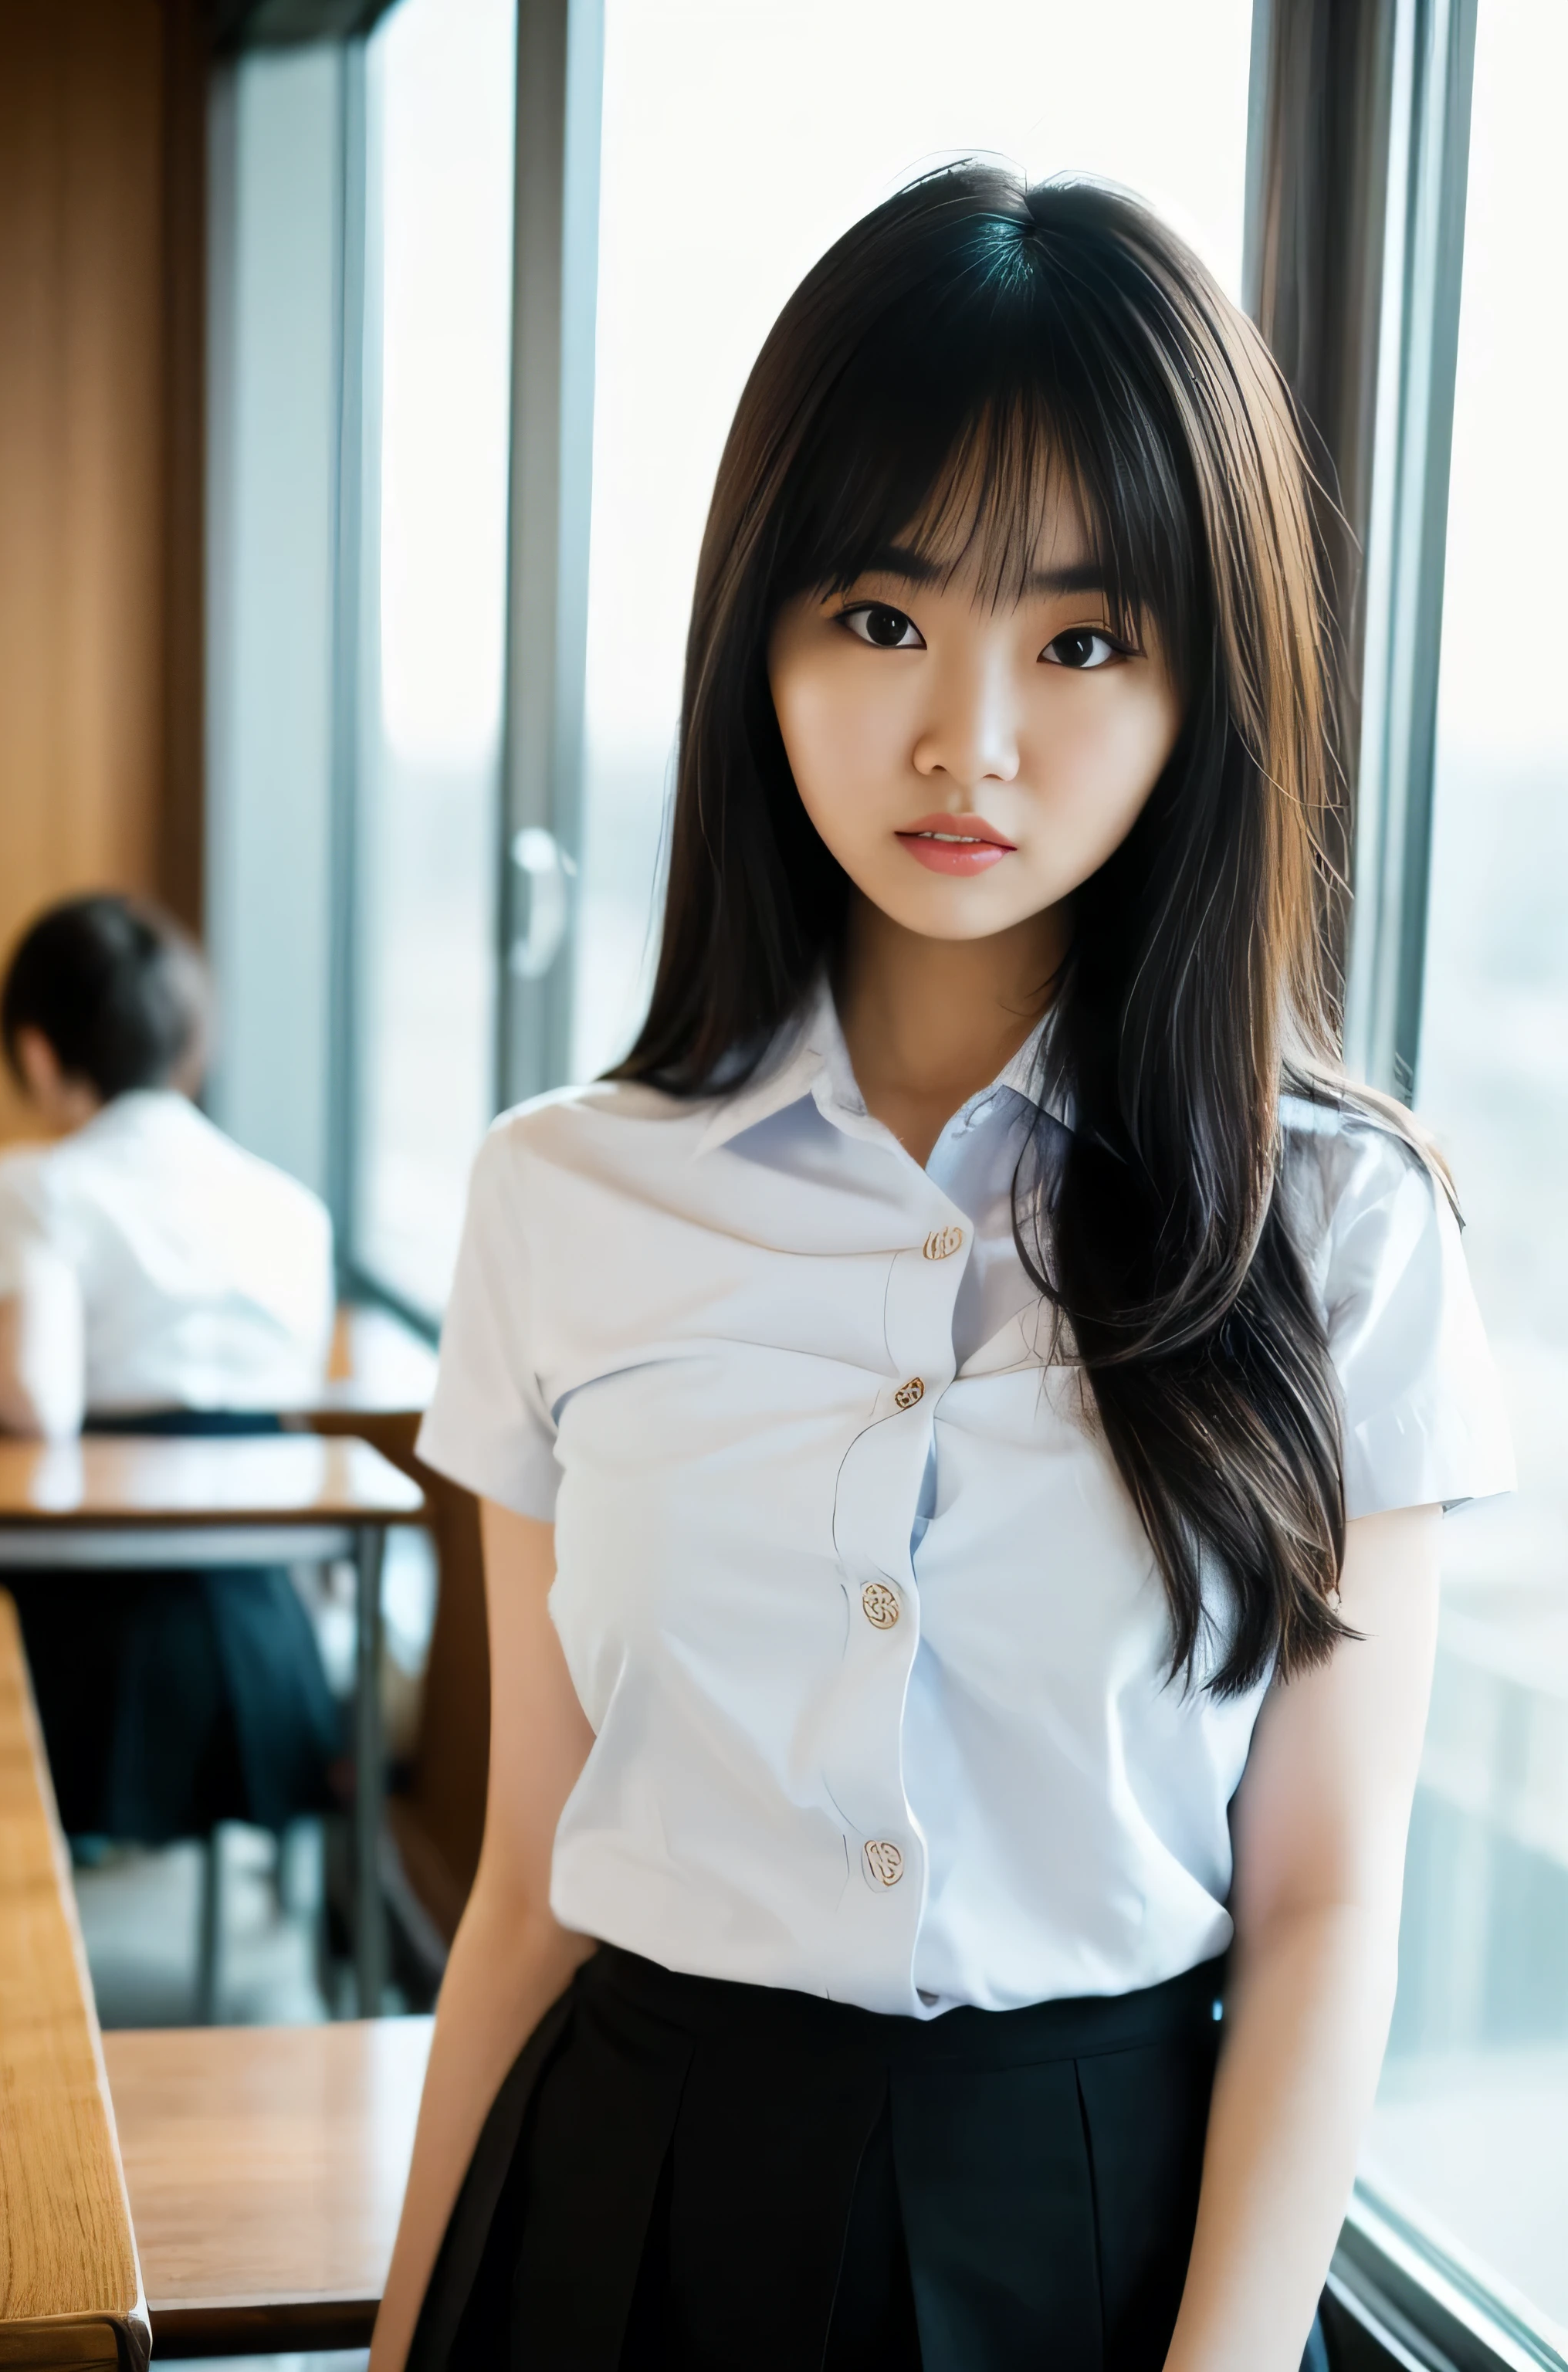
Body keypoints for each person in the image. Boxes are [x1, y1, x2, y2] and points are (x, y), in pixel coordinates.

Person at [372, 170, 1514, 2372]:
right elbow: (524, 1880)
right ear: (760, 636)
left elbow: (1323, 1906)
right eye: (884, 619)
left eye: (1082, 643)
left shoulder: (1342, 1230)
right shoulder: (562, 1195)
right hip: (622, 2217)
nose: (967, 740)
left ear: (1208, 691)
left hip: (1092, 2239)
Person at [0, 892, 339, 1843]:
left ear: (35, 1050)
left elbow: (34, 1397)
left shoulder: (38, 1187)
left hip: (91, 1636)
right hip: (268, 1635)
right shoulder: (290, 1209)